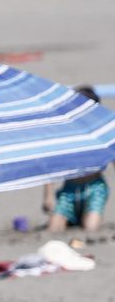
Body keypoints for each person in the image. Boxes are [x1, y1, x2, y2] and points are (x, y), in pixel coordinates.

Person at [44, 86, 107, 233]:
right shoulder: (66, 135)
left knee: (90, 228)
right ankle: (71, 218)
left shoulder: (101, 133)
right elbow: (51, 165)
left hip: (95, 188)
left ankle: (87, 217)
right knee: (53, 229)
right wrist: (48, 195)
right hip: (69, 189)